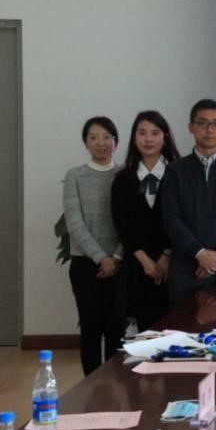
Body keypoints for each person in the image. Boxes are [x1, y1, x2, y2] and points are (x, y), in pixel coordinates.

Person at [160, 99, 216, 303]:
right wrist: (199, 253)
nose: (209, 129)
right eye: (202, 123)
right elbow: (171, 219)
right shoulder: (175, 170)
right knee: (183, 323)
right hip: (186, 269)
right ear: (191, 127)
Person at [62, 116, 124, 375]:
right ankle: (91, 387)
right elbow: (74, 222)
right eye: (94, 137)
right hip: (86, 265)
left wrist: (116, 257)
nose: (101, 143)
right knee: (90, 329)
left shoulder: (124, 174)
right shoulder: (75, 176)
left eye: (107, 137)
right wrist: (101, 258)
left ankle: (115, 384)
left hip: (120, 264)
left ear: (116, 142)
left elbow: (132, 222)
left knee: (116, 329)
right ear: (85, 142)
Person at [111, 111, 180, 333]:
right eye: (142, 133)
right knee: (142, 334)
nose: (148, 139)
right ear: (134, 138)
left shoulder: (179, 174)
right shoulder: (123, 179)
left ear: (165, 137)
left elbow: (183, 218)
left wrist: (166, 256)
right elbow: (122, 225)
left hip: (175, 265)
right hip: (137, 267)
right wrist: (146, 262)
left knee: (174, 330)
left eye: (155, 133)